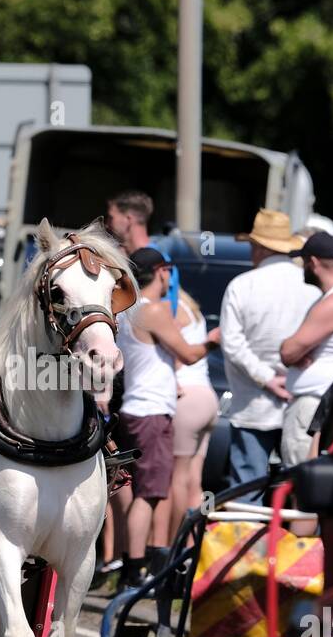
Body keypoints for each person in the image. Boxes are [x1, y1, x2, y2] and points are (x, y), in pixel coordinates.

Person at [110, 247, 217, 586]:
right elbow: (187, 354)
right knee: (149, 493)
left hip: (138, 408)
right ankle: (135, 569)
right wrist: (215, 340)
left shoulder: (128, 310)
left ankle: (139, 564)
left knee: (146, 490)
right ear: (161, 271)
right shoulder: (152, 310)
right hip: (151, 410)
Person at [220, 210, 321, 502]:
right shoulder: (311, 288)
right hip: (300, 401)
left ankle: (248, 547)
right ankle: (301, 548)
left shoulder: (242, 285)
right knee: (304, 491)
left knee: (246, 490)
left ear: (260, 247)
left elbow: (233, 343)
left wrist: (266, 379)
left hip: (252, 405)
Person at [279, 232, 333, 467]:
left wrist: (293, 348)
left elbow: (288, 352)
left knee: (300, 484)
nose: (303, 269)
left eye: (304, 262)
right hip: (317, 404)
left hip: (311, 407)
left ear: (314, 262)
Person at [164, 288, 219, 546]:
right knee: (194, 481)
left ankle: (172, 548)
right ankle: (194, 548)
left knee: (177, 478)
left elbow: (173, 357)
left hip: (186, 398)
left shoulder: (171, 312)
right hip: (207, 397)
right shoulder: (193, 310)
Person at [105, 191, 155, 255]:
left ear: (128, 219)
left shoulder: (157, 262)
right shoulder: (115, 257)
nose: (107, 225)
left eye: (111, 218)